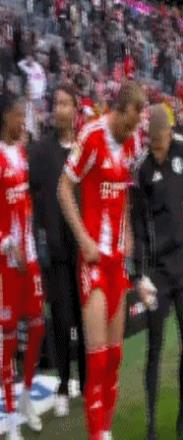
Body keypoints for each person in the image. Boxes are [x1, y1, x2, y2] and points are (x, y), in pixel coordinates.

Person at [58, 81, 146, 440]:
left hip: (117, 264)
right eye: (129, 123)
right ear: (118, 110)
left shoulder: (130, 143)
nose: (131, 131)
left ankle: (105, 430)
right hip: (93, 263)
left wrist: (128, 232)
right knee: (96, 359)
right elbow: (64, 188)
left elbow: (123, 191)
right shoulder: (92, 136)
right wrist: (83, 238)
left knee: (114, 357)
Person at [131, 105, 183, 440]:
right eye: (152, 144)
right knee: (155, 348)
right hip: (157, 274)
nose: (156, 150)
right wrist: (140, 274)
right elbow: (138, 227)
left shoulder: (182, 152)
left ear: (168, 135)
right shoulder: (142, 168)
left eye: (160, 143)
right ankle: (150, 426)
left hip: (182, 269)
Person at [29, 84, 86, 417]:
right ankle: (64, 385)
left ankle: (87, 381)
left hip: (85, 252)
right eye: (56, 103)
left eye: (66, 103)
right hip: (56, 254)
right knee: (63, 322)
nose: (59, 108)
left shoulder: (84, 148)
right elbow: (30, 198)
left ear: (76, 109)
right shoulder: (40, 151)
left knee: (86, 319)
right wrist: (39, 239)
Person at [0, 93, 46, 440]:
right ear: (6, 118)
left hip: (29, 257)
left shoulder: (21, 154)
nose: (23, 122)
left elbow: (26, 202)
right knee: (9, 338)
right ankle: (12, 417)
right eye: (19, 115)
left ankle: (27, 396)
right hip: (7, 262)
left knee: (38, 326)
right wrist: (6, 242)